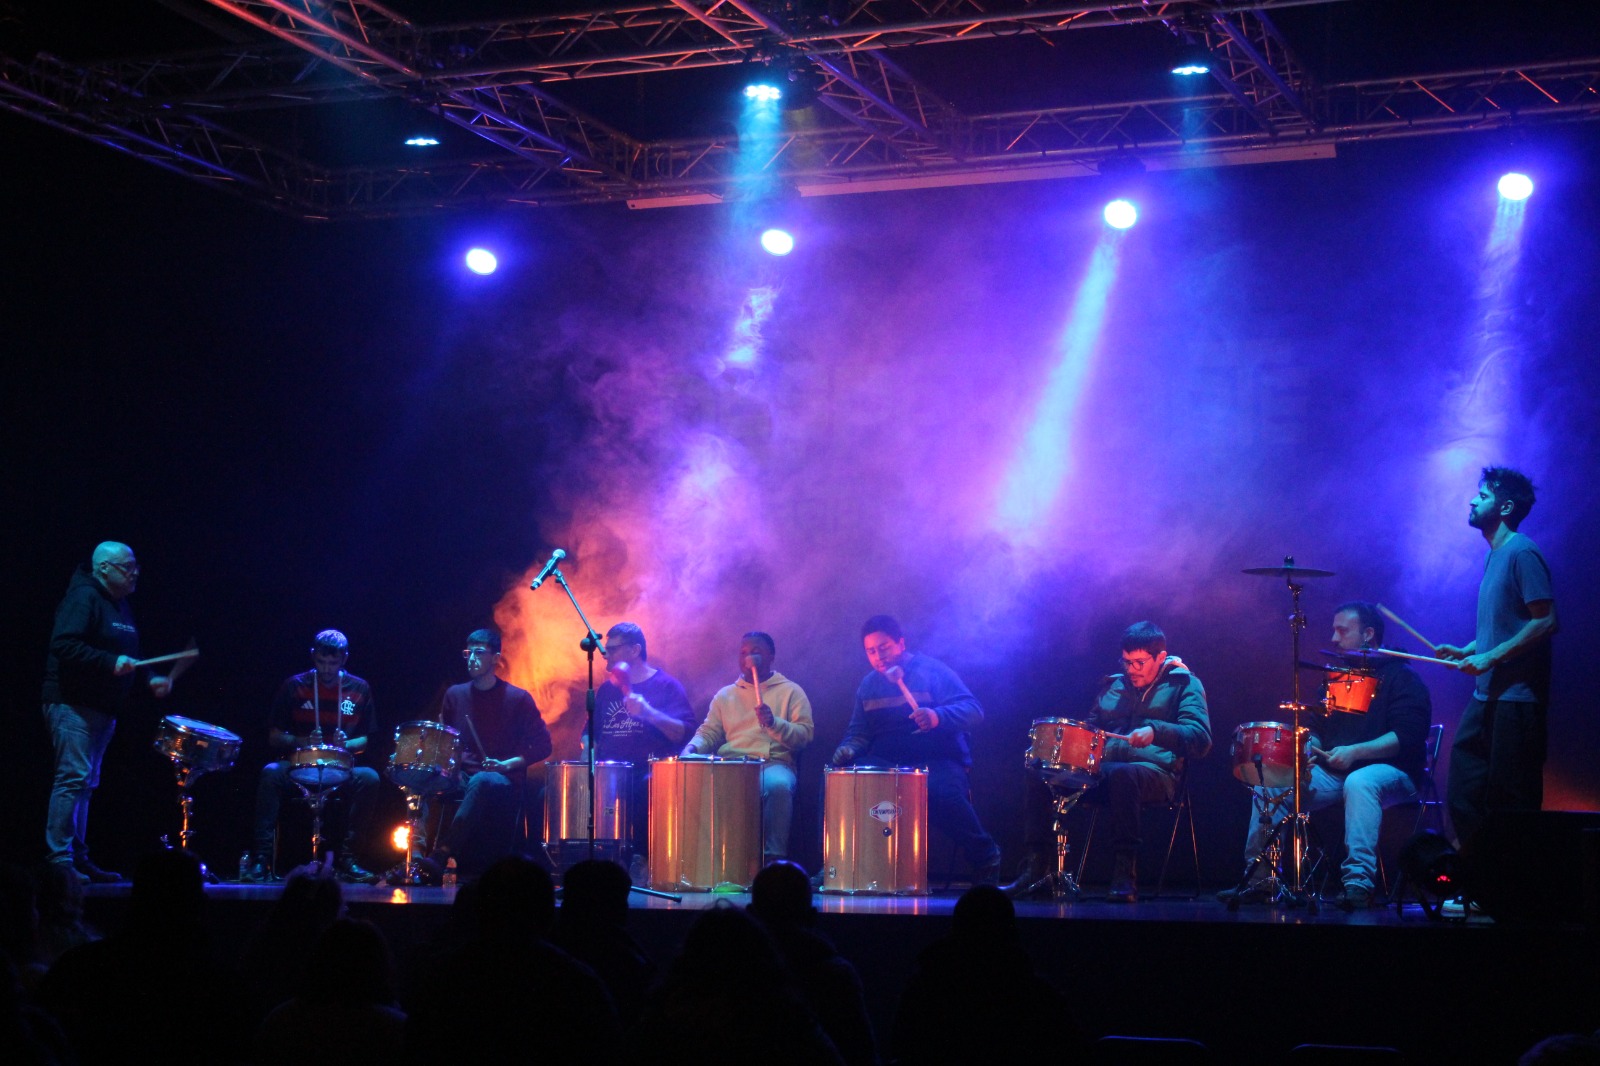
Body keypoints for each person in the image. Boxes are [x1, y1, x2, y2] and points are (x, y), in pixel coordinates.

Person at [1218, 602, 1432, 910]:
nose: (1333, 638)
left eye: (1342, 631)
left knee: (1360, 781)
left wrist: (1355, 752)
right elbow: (1316, 726)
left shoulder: (1403, 678)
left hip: (1394, 772)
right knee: (1272, 784)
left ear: (1368, 634)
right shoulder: (1338, 677)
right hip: (1338, 773)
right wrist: (1310, 748)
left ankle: (1359, 884)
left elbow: (1407, 737)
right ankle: (1261, 880)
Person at [1007, 621, 1210, 902]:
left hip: (1157, 774)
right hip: (1105, 772)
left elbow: (1200, 739)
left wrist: (1156, 731)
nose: (1132, 669)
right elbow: (1091, 730)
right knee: (1039, 772)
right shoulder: (1113, 686)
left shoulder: (1184, 684)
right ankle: (1036, 869)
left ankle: (1125, 874)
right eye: (1127, 662)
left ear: (1160, 657)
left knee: (1123, 775)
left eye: (1139, 663)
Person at [42, 541, 180, 883]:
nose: (135, 573)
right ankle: (59, 861)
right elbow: (63, 644)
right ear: (104, 568)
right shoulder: (84, 598)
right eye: (127, 567)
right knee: (73, 778)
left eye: (135, 566)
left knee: (86, 783)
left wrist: (149, 677)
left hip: (102, 707)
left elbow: (130, 652)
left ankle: (77, 857)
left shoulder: (120, 604)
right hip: (73, 703)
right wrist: (108, 662)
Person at [831, 615, 1001, 885]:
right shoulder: (868, 685)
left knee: (941, 792)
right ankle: (833, 863)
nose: (879, 657)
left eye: (884, 648)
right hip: (887, 762)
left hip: (936, 759)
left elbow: (973, 710)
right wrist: (848, 749)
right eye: (871, 651)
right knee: (836, 782)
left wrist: (937, 716)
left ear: (901, 643)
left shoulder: (932, 671)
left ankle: (986, 857)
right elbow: (859, 732)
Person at [1439, 466, 1557, 849]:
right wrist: (1470, 648)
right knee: (1463, 792)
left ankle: (1514, 880)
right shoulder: (1495, 556)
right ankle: (1483, 871)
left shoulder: (1522, 552)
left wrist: (1490, 657)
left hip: (1516, 700)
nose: (1472, 501)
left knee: (1512, 801)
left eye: (1483, 495)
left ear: (1505, 507)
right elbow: (1508, 623)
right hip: (1487, 696)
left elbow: (1546, 621)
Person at [243, 630, 380, 884]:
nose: (326, 669)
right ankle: (261, 858)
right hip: (299, 766)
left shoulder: (359, 688)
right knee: (271, 772)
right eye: (321, 662)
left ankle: (349, 859)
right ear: (313, 656)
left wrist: (347, 744)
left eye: (333, 663)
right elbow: (274, 736)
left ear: (344, 659)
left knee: (369, 778)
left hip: (340, 768)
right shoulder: (294, 685)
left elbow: (365, 740)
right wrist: (300, 741)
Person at [419, 628, 552, 880]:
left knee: (481, 780)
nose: (471, 659)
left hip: (504, 779)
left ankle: (442, 853)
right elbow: (447, 742)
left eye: (479, 653)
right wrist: (446, 766)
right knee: (421, 777)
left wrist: (506, 765)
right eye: (468, 653)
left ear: (496, 658)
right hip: (463, 776)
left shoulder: (518, 698)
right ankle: (415, 859)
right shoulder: (455, 694)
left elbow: (543, 745)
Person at [683, 632, 813, 864]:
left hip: (772, 763)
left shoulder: (791, 691)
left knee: (778, 786)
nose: (748, 657)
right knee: (695, 785)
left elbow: (804, 735)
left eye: (755, 652)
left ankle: (773, 860)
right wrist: (692, 747)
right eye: (743, 652)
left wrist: (774, 723)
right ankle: (705, 860)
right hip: (731, 765)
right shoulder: (725, 695)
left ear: (771, 656)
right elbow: (709, 731)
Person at [589, 621, 695, 862]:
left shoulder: (666, 686)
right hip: (610, 772)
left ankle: (641, 859)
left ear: (635, 650)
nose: (606, 654)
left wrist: (648, 713)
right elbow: (590, 733)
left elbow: (684, 733)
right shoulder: (606, 690)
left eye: (613, 649)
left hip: (647, 771)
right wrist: (588, 757)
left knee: (643, 786)